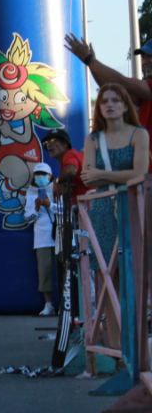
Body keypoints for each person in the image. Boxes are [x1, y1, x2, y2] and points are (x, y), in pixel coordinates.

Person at [82, 84, 150, 272]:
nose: (109, 105)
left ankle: (134, 304)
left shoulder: (139, 134)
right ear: (99, 108)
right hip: (102, 210)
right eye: (104, 101)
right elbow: (88, 179)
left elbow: (140, 174)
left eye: (115, 100)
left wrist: (102, 174)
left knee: (136, 268)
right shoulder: (92, 138)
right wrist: (124, 176)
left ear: (125, 106)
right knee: (106, 272)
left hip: (134, 206)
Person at [66, 34, 152, 164]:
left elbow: (122, 82)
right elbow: (113, 89)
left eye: (150, 56)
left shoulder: (147, 89)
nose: (145, 61)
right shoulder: (143, 93)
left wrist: (90, 60)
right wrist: (91, 64)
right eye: (144, 57)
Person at [22, 162, 58, 317]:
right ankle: (48, 304)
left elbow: (67, 210)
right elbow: (28, 218)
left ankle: (66, 305)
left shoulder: (58, 190)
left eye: (43, 174)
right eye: (37, 175)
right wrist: (36, 208)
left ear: (50, 176)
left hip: (60, 236)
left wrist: (50, 205)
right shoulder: (31, 194)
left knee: (64, 271)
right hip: (42, 239)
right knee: (44, 272)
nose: (40, 177)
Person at [42, 128, 87, 204]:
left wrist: (56, 182)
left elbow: (70, 171)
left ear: (65, 144)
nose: (48, 144)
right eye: (46, 142)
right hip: (85, 206)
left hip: (89, 205)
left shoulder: (69, 154)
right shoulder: (66, 161)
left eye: (53, 140)